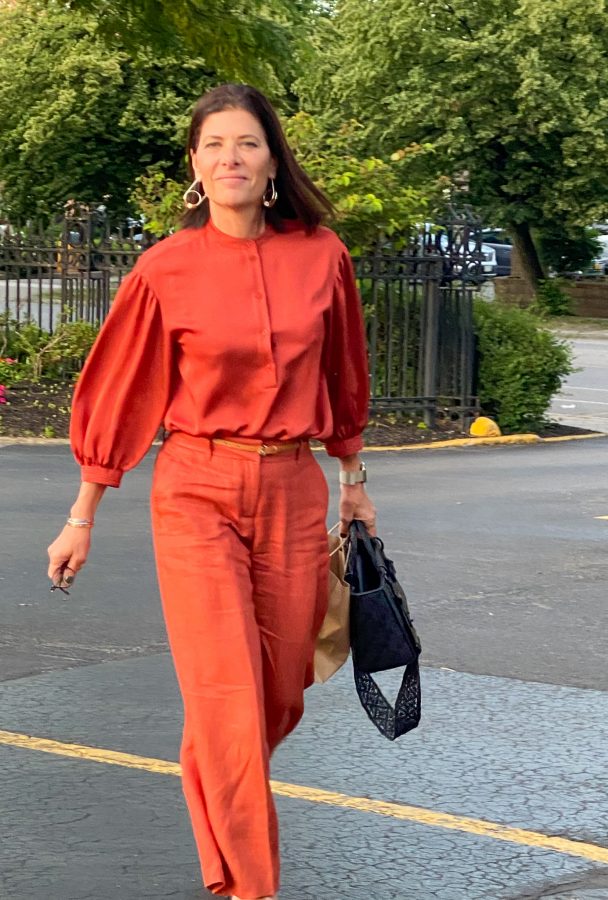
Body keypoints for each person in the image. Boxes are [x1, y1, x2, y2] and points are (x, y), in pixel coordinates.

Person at [47, 83, 376, 900]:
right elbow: (120, 391)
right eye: (214, 145)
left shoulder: (322, 255)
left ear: (272, 164)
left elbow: (344, 372)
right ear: (194, 165)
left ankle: (225, 809)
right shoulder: (165, 268)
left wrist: (352, 481)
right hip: (195, 488)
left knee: (278, 690)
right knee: (227, 696)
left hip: (294, 486)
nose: (231, 158)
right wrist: (82, 515)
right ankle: (250, 887)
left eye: (247, 143)